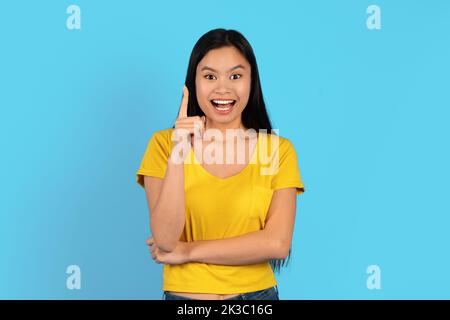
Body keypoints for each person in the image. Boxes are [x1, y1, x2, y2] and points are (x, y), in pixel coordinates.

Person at [136, 28, 305, 300]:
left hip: (257, 298)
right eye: (210, 76)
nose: (223, 88)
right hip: (186, 300)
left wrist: (188, 251)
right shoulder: (164, 145)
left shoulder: (277, 150)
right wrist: (180, 149)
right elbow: (166, 240)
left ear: (252, 82)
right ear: (193, 82)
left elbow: (277, 243)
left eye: (236, 76)